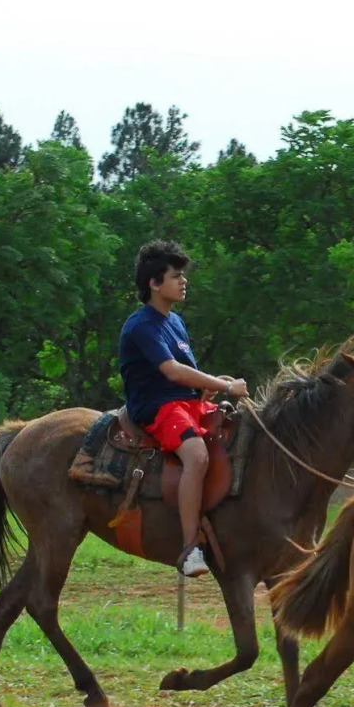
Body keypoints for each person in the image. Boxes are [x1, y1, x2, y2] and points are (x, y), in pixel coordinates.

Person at [117, 240, 248, 578]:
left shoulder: (175, 322)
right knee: (197, 455)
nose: (184, 281)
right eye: (176, 276)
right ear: (154, 283)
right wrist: (225, 387)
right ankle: (190, 548)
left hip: (186, 404)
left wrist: (212, 384)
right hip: (157, 409)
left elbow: (189, 376)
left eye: (182, 276)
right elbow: (171, 371)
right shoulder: (141, 324)